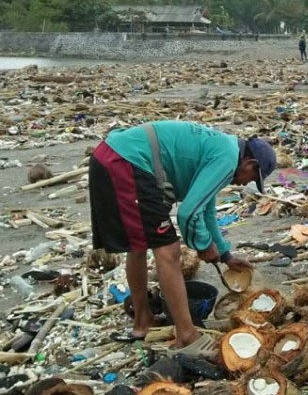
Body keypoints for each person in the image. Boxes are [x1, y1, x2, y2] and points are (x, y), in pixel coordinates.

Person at [89, 121, 276, 358]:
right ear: (250, 163)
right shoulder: (227, 159)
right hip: (127, 162)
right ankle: (186, 335)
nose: (244, 183)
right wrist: (202, 245)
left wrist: (225, 255)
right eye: (250, 178)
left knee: (138, 245)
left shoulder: (222, 147)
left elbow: (205, 208)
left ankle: (142, 319)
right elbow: (188, 212)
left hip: (110, 155)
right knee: (168, 250)